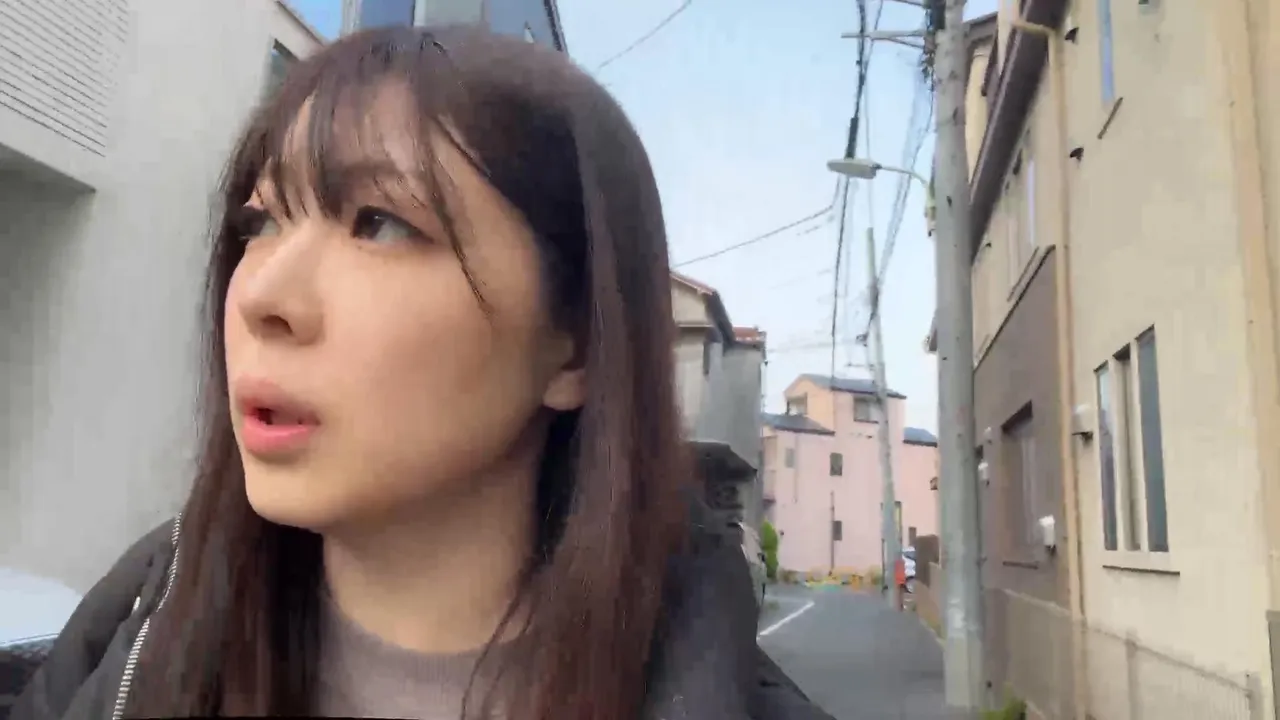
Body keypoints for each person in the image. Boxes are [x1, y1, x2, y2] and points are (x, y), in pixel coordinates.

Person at [11, 26, 833, 720]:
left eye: (380, 224)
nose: (261, 296)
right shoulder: (139, 625)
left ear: (575, 347)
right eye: (261, 223)